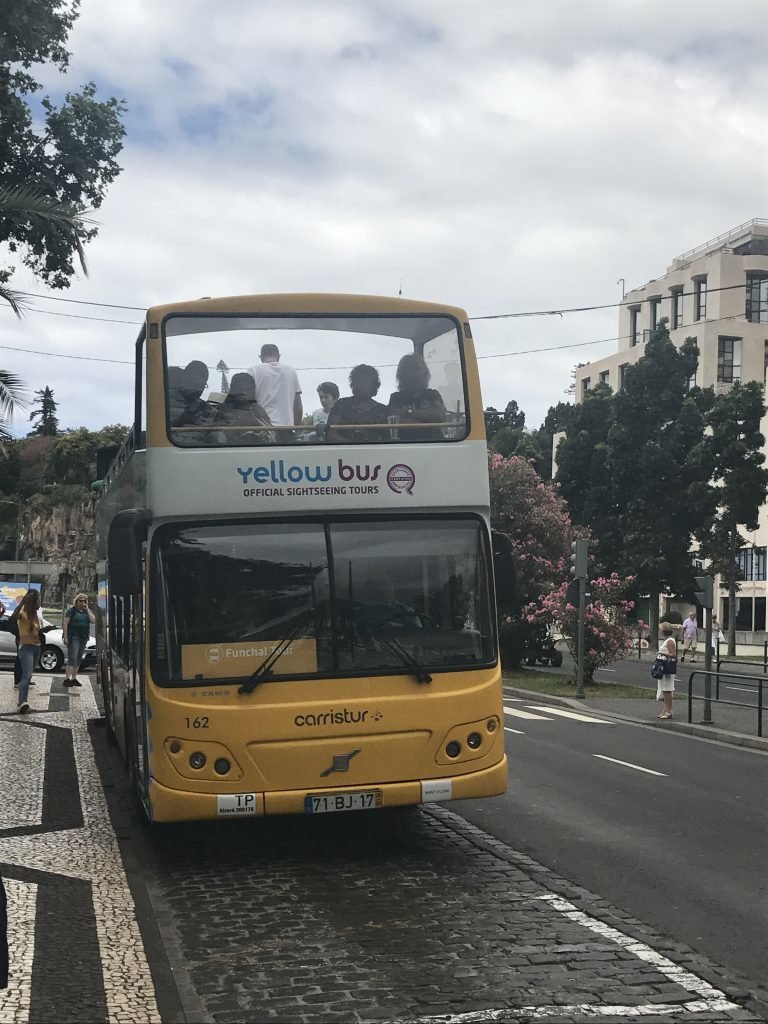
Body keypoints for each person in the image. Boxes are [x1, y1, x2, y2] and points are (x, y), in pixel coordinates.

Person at [387, 353, 447, 440]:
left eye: (418, 369)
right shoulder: (396, 398)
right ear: (403, 375)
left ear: (425, 373)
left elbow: (440, 416)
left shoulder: (433, 395)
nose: (416, 375)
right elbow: (394, 421)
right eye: (410, 371)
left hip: (434, 444)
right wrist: (427, 420)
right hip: (404, 445)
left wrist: (410, 412)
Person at [326, 364, 388, 443]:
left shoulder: (383, 410)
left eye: (365, 382)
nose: (360, 385)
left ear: (374, 385)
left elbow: (388, 438)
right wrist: (352, 446)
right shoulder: (341, 405)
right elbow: (331, 434)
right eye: (357, 381)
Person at [249, 344, 302, 433]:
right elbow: (298, 407)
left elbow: (248, 404)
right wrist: (294, 429)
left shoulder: (253, 371)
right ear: (279, 356)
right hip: (286, 429)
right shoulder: (291, 371)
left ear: (260, 357)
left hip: (263, 430)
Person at [215, 373, 274, 444]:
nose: (244, 392)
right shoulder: (224, 411)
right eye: (240, 389)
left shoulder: (258, 409)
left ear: (253, 390)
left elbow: (272, 433)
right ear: (233, 391)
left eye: (248, 389)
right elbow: (221, 436)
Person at [11, 589, 43, 714]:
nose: (39, 602)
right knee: (26, 675)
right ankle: (23, 703)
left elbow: (37, 631)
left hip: (36, 647)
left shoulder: (35, 615)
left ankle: (22, 702)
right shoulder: (23, 613)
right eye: (38, 599)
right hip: (26, 647)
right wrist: (24, 601)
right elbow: (14, 616)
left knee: (28, 675)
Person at [169, 361, 216, 444]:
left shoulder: (205, 407)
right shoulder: (165, 401)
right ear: (184, 380)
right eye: (195, 383)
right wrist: (181, 420)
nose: (198, 389)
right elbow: (158, 432)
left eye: (202, 385)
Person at [62, 592, 95, 687]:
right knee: (73, 657)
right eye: (80, 601)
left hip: (83, 637)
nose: (82, 602)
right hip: (74, 636)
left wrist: (87, 609)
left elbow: (93, 620)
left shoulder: (86, 612)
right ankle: (67, 678)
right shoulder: (71, 611)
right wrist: (65, 637)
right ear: (76, 601)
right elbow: (65, 624)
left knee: (79, 658)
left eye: (84, 601)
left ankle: (74, 678)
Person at [655, 623, 677, 720]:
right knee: (664, 689)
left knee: (667, 690)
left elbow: (673, 655)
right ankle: (665, 709)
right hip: (663, 668)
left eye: (660, 629)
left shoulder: (670, 641)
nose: (659, 631)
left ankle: (669, 710)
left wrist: (661, 653)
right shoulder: (667, 640)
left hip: (667, 668)